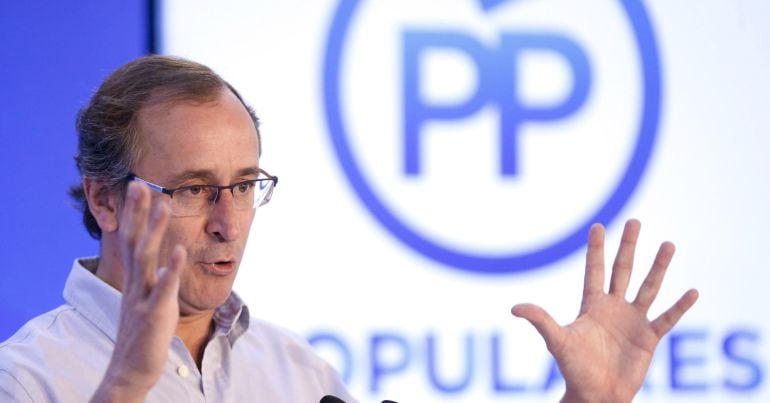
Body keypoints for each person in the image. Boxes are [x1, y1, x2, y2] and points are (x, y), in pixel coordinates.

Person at [0, 55, 698, 403]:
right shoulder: (26, 377)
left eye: (244, 184)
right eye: (192, 189)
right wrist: (125, 382)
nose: (227, 221)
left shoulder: (299, 375)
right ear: (105, 199)